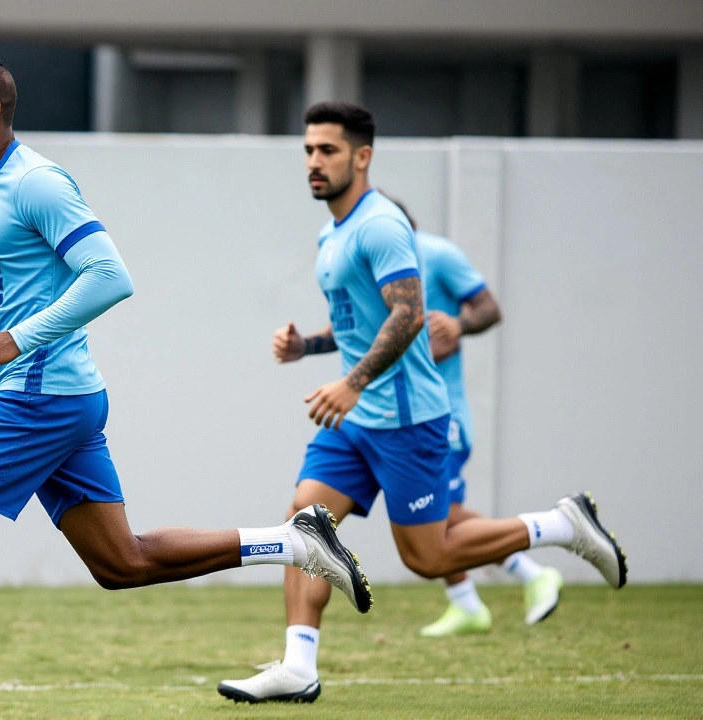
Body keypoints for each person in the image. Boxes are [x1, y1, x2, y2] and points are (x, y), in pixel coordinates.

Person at [0, 56, 371, 720]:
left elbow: (109, 277)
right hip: (58, 399)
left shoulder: (38, 184)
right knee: (122, 563)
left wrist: (18, 339)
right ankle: (294, 542)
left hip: (38, 397)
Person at [216, 102, 627, 705]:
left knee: (429, 558)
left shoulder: (381, 224)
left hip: (408, 420)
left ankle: (562, 526)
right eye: (308, 150)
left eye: (327, 150)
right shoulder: (332, 233)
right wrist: (308, 346)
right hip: (356, 422)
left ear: (362, 156)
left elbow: (408, 314)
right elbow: (360, 323)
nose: (314, 161)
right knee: (304, 524)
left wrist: (353, 383)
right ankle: (298, 665)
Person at [388, 197, 564, 636]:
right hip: (398, 417)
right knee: (432, 518)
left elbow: (489, 309)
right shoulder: (377, 268)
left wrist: (458, 325)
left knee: (440, 517)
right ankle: (469, 603)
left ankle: (533, 571)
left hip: (442, 414)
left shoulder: (437, 254)